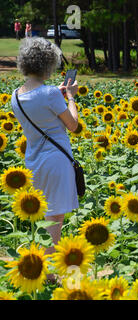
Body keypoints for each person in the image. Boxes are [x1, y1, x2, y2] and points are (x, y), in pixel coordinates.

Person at [11, 37, 80, 281]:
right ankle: (49, 274)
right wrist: (70, 96)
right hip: (56, 161)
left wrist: (58, 96)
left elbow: (40, 113)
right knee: (55, 218)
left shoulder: (15, 96)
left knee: (42, 215)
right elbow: (72, 125)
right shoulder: (51, 93)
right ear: (47, 63)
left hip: (33, 161)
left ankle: (40, 264)